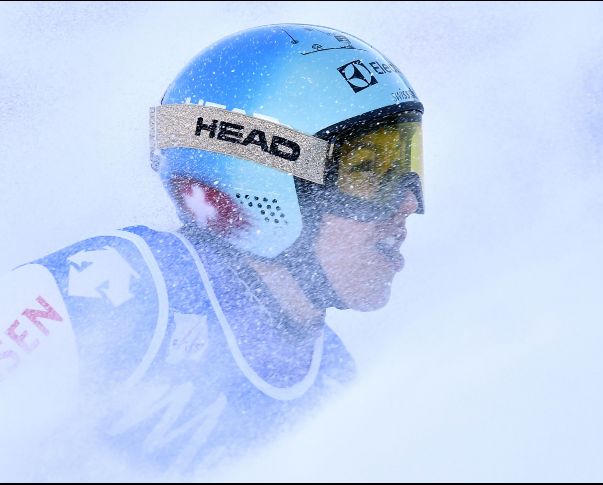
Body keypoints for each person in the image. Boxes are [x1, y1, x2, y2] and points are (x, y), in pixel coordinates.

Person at [0, 24, 424, 474]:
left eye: (407, 164)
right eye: (368, 169)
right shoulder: (117, 287)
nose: (410, 203)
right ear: (262, 182)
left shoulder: (332, 380)